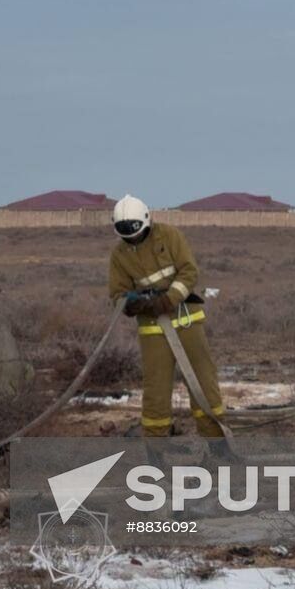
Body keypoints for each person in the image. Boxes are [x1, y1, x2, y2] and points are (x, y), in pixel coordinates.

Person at [106, 194, 233, 458]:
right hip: (153, 329)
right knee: (156, 391)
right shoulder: (119, 255)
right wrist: (131, 304)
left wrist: (168, 299)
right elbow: (118, 293)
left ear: (146, 222)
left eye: (135, 233)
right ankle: (155, 454)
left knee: (202, 383)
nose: (131, 239)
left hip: (186, 320)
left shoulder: (169, 237)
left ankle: (219, 448)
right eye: (125, 235)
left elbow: (189, 272)